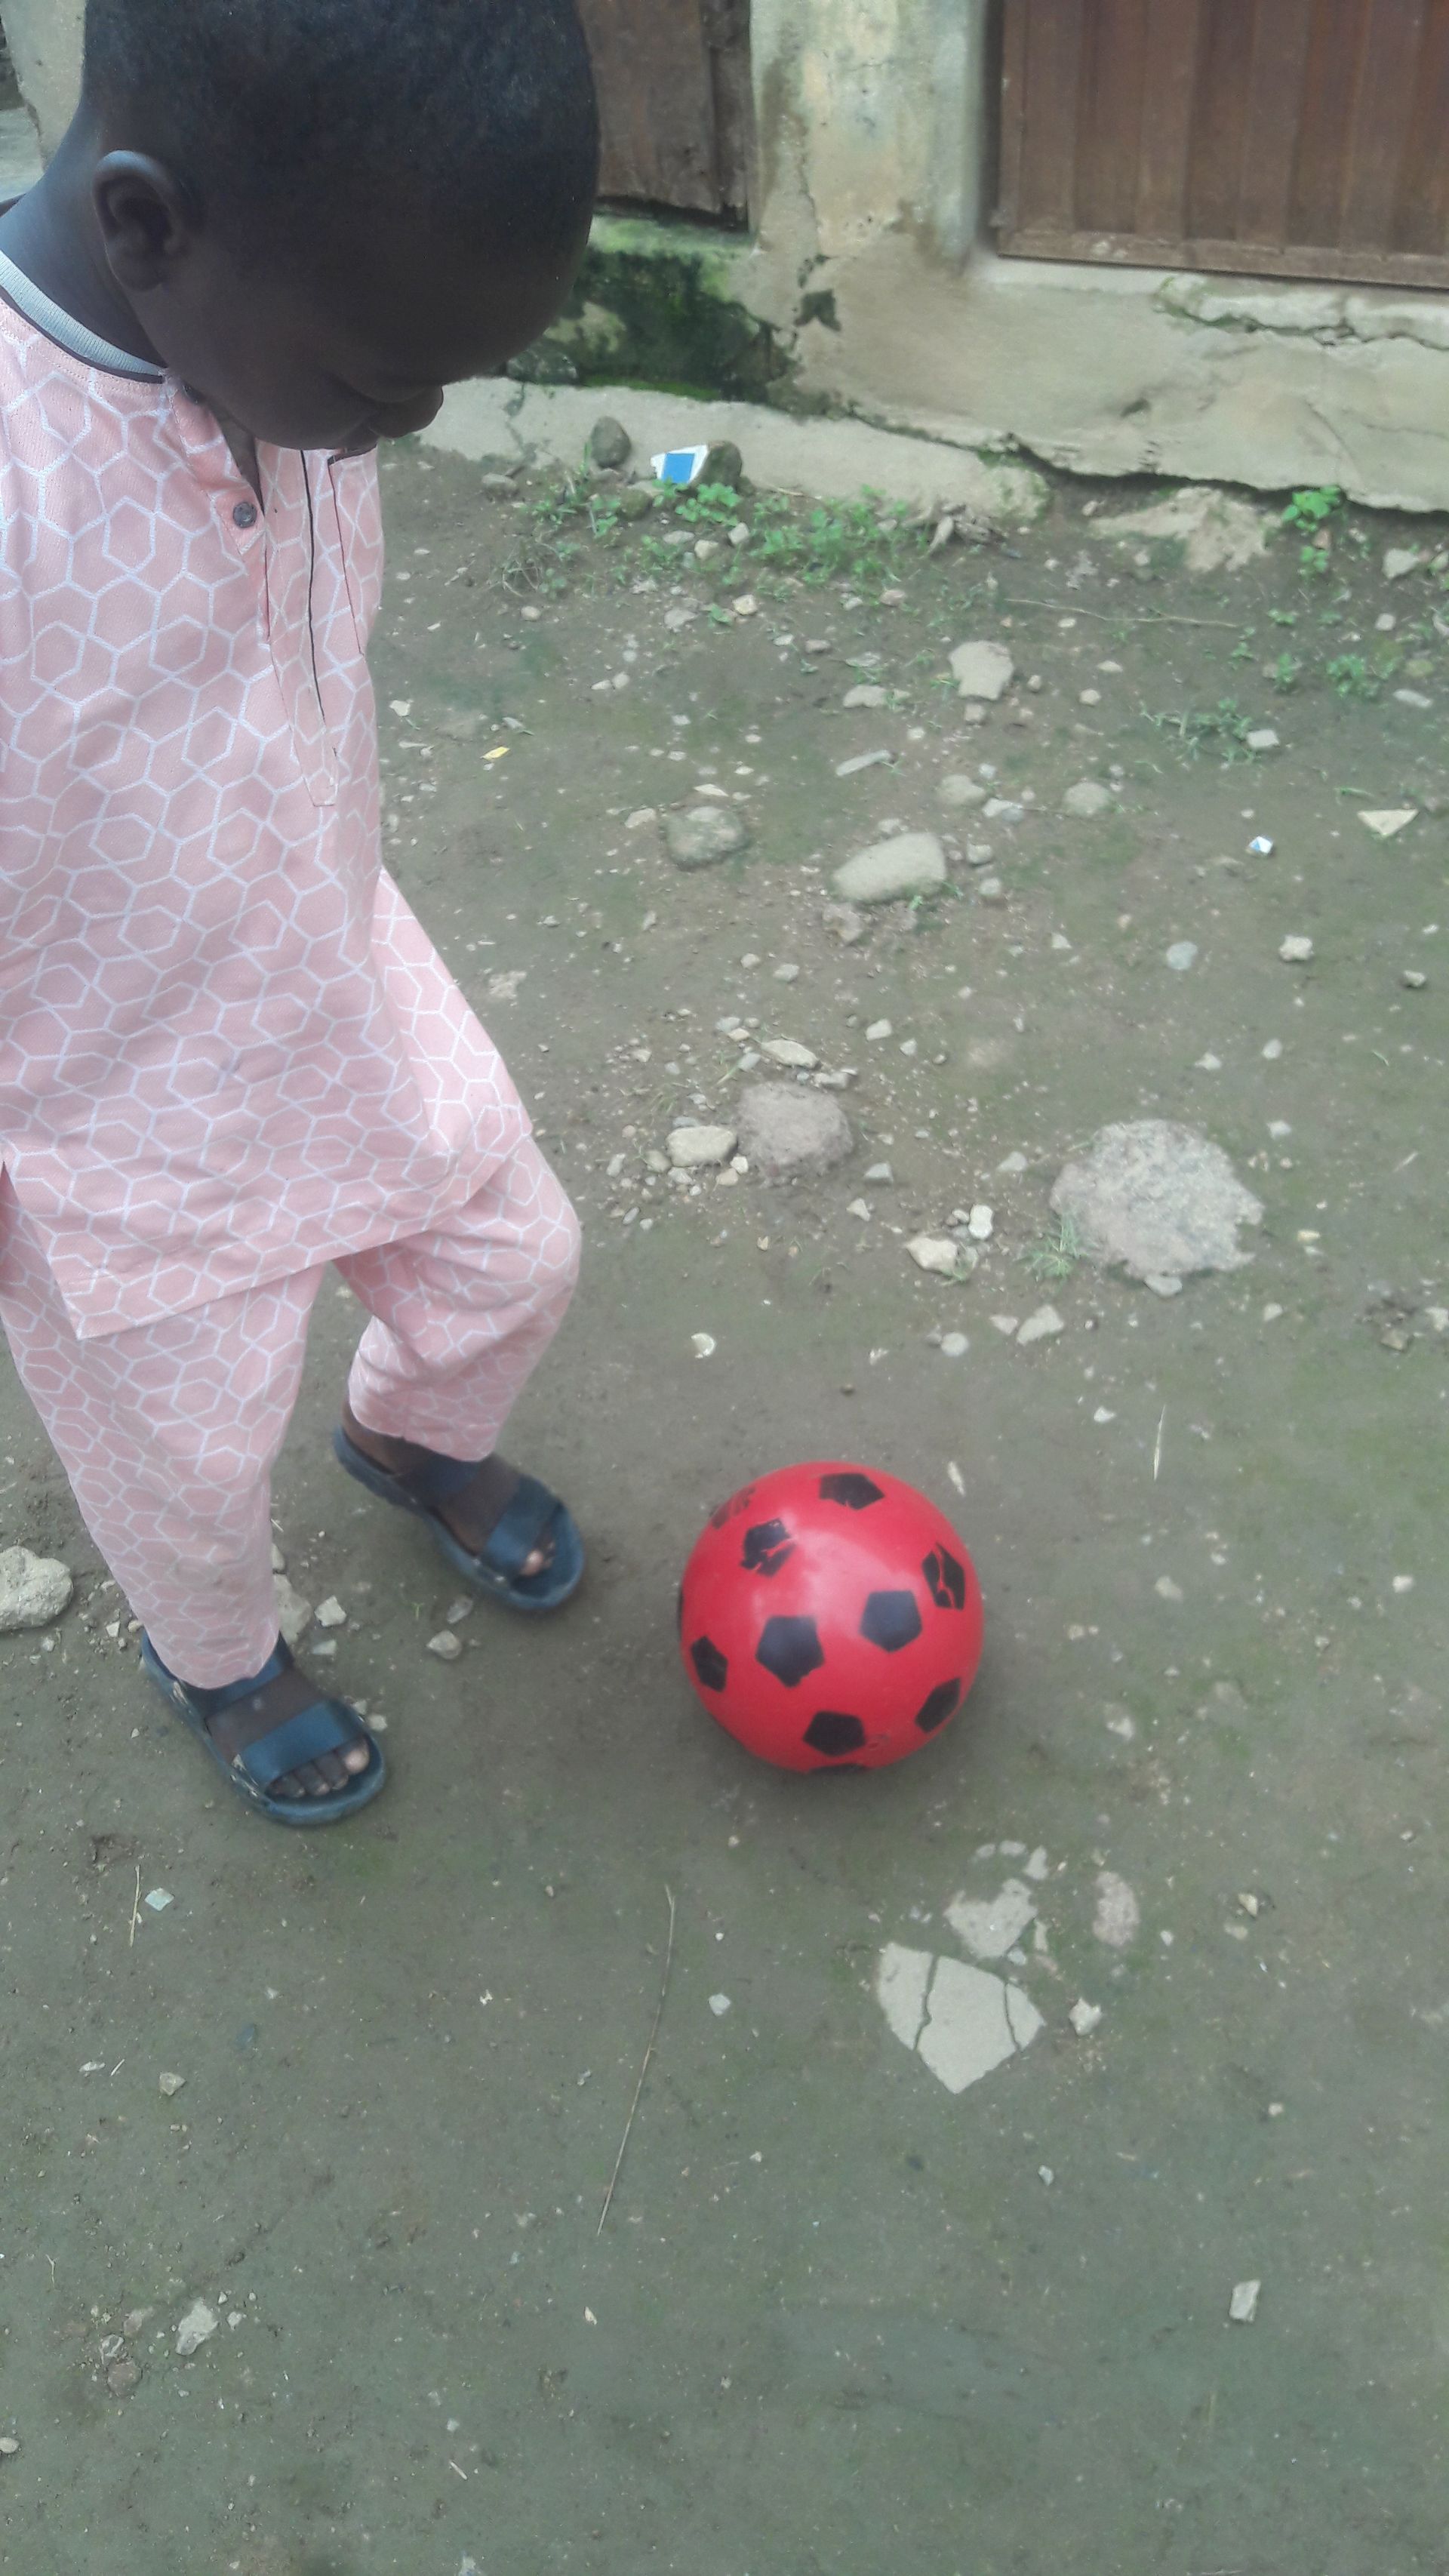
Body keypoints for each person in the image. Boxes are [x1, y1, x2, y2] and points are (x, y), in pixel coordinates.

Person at [0, 0, 600, 1824]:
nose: (407, 425)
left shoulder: (281, 360)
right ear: (148, 223)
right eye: (380, 379)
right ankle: (220, 1656)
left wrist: (344, 383)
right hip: (108, 1113)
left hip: (335, 966)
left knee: (514, 1261)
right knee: (186, 1461)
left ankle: (408, 1436)